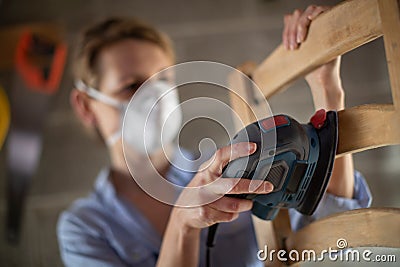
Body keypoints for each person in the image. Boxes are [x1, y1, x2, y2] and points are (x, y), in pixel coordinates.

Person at [57, 5, 372, 267]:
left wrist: (326, 88)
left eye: (162, 82)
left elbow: (331, 243)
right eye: (131, 86)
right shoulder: (84, 229)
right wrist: (183, 223)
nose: (153, 99)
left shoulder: (228, 171)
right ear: (86, 106)